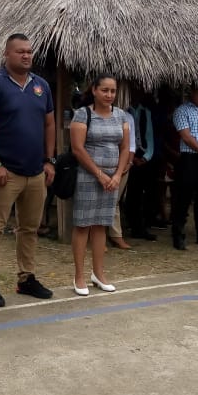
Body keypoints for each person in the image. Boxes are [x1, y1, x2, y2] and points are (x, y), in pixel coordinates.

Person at [0, 33, 56, 307]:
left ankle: (26, 278)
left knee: (29, 228)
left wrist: (49, 160)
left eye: (30, 52)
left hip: (36, 172)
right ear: (7, 54)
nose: (26, 56)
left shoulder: (41, 86)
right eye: (20, 51)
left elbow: (49, 125)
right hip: (5, 172)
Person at [69, 75, 130, 294]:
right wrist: (99, 174)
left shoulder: (121, 115)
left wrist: (117, 175)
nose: (109, 95)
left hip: (112, 179)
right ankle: (79, 276)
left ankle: (99, 273)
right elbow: (78, 149)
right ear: (94, 90)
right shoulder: (83, 114)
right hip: (88, 176)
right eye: (105, 90)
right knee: (83, 224)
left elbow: (124, 148)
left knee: (101, 224)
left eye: (112, 91)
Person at [170, 83, 198, 250]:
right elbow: (186, 136)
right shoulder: (182, 110)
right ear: (192, 94)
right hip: (189, 158)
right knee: (183, 197)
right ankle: (178, 234)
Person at [125, 89, 159, 241]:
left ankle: (143, 225)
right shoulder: (124, 112)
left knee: (146, 193)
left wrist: (146, 157)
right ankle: (133, 225)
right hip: (128, 155)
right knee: (131, 194)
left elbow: (149, 135)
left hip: (144, 155)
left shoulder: (146, 112)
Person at [107, 104, 137, 250]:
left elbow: (130, 144)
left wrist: (129, 162)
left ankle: (115, 235)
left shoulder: (127, 117)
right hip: (101, 162)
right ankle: (97, 236)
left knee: (115, 199)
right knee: (98, 199)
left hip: (122, 162)